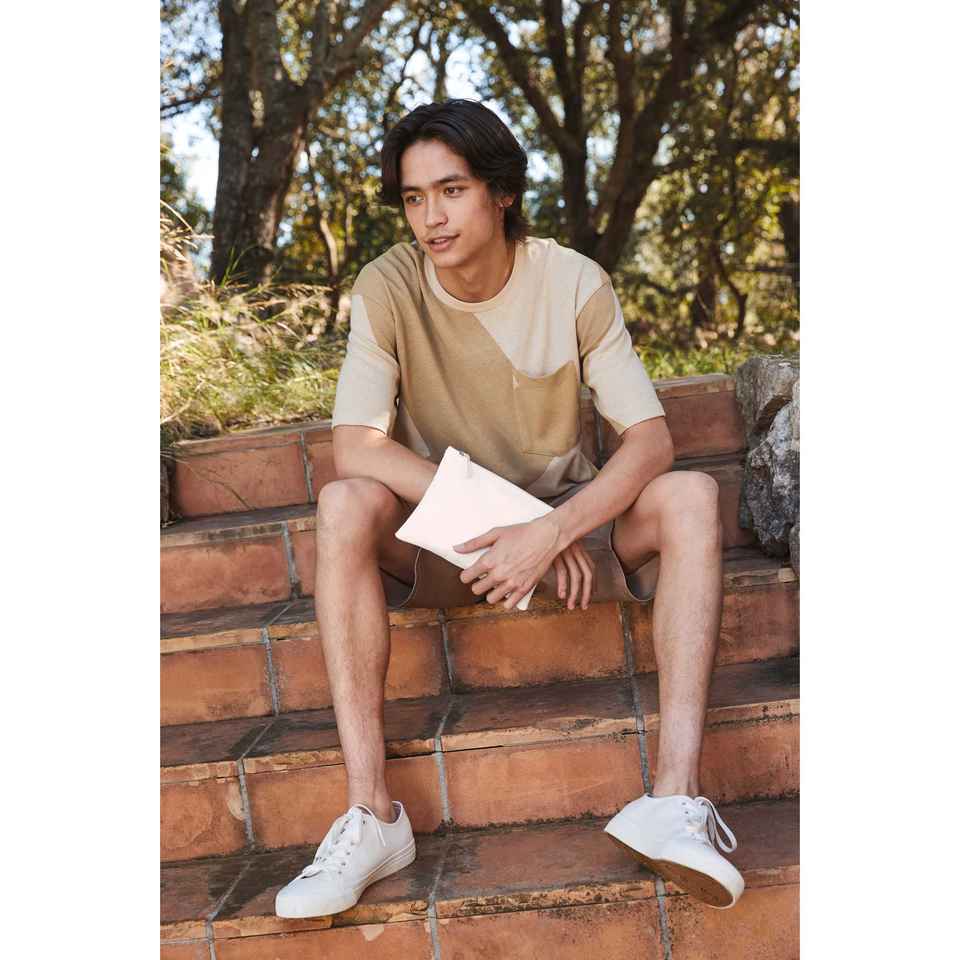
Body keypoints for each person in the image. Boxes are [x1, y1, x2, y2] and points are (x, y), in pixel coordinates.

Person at [274, 99, 743, 919]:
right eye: (414, 197)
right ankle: (372, 814)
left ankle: (672, 801)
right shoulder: (387, 286)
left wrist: (552, 528)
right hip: (447, 536)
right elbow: (356, 447)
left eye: (451, 191)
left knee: (692, 497)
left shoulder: (573, 282)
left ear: (502, 192)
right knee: (345, 503)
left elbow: (650, 443)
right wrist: (506, 517)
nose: (431, 217)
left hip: (569, 534)